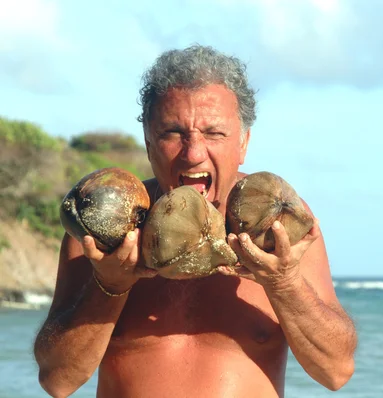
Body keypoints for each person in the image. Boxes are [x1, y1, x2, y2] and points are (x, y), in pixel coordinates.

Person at [34, 45, 357, 397]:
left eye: (214, 133)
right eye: (172, 133)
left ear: (244, 142)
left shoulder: (278, 225)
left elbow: (335, 372)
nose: (193, 153)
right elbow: (58, 380)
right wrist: (109, 285)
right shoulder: (106, 233)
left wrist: (284, 283)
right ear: (148, 142)